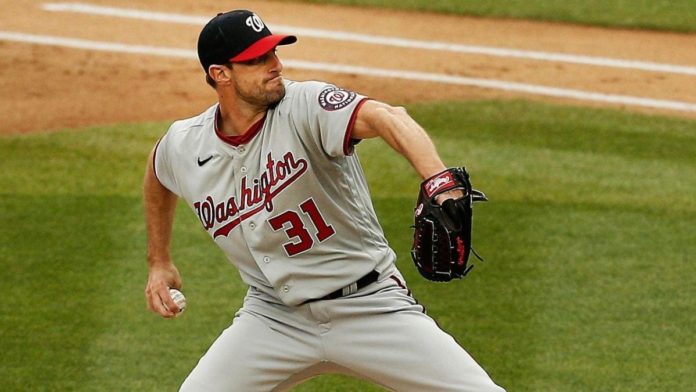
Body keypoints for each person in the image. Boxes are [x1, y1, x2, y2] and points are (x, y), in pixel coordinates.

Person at [143, 9, 505, 392]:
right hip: (273, 318)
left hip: (369, 305)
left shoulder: (307, 105)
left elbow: (386, 117)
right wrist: (159, 261)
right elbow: (157, 175)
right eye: (258, 59)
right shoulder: (186, 143)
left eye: (274, 53)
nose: (275, 65)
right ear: (221, 74)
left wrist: (439, 180)